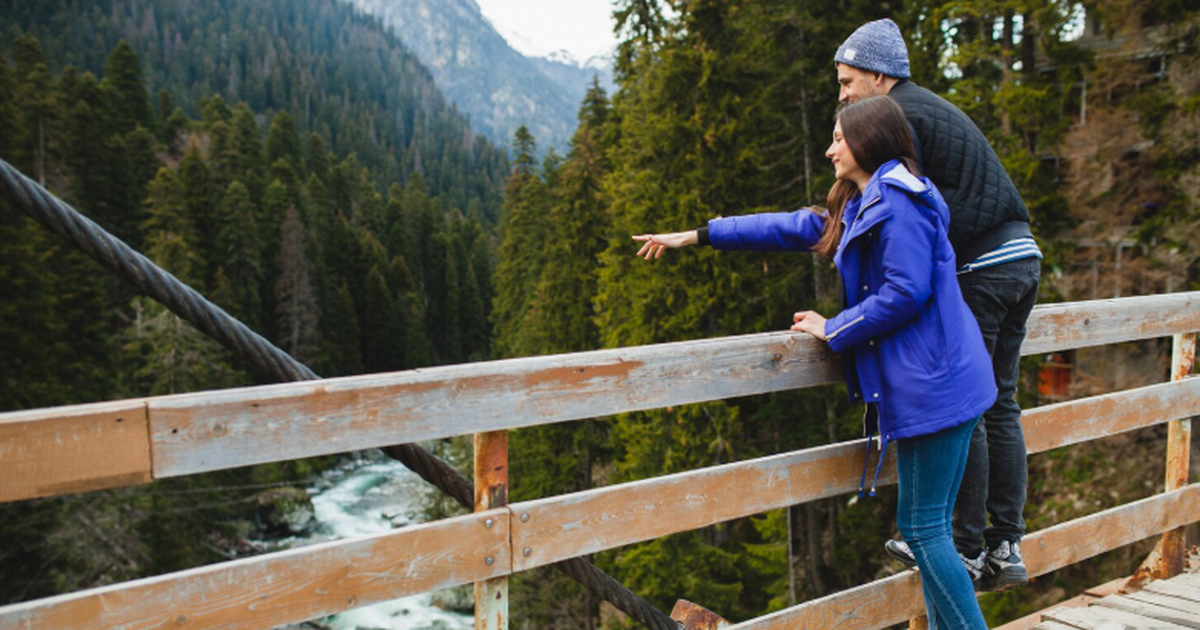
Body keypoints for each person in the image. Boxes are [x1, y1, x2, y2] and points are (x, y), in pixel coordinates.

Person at [633, 96, 995, 630]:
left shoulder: (898, 205)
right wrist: (698, 235)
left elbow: (906, 291)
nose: (830, 150)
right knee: (930, 528)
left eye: (840, 139)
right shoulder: (871, 200)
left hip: (936, 388)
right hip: (941, 383)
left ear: (869, 141)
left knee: (924, 530)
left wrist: (835, 328)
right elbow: (792, 226)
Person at [833, 18, 1042, 590]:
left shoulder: (899, 118)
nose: (844, 95)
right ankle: (1005, 544)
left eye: (849, 82)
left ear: (880, 77)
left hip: (982, 265)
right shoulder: (929, 108)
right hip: (1021, 257)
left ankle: (966, 546)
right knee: (1001, 403)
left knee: (967, 402)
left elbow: (901, 209)